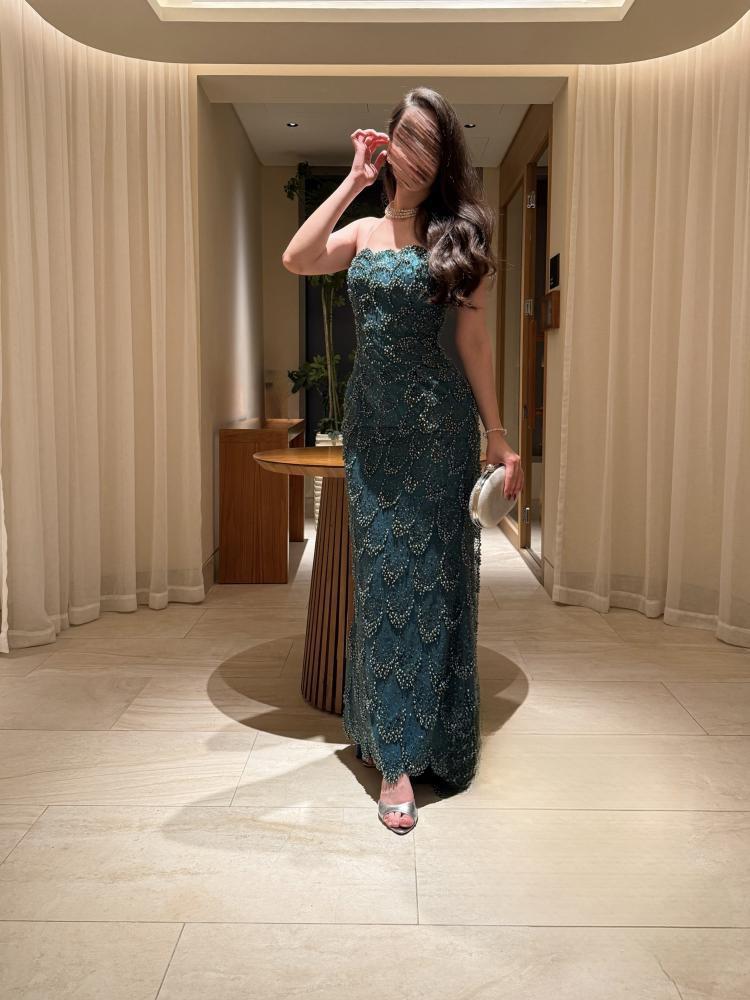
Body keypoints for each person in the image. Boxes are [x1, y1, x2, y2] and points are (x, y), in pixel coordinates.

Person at [281, 87, 524, 835]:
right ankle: (391, 749)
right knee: (384, 581)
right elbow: (297, 257)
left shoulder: (460, 234)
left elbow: (473, 343)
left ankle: (429, 744)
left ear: (444, 155)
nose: (415, 156)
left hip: (440, 429)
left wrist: (496, 433)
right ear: (386, 146)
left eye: (429, 143)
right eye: (404, 140)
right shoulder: (361, 230)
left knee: (435, 581)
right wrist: (354, 180)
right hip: (372, 434)